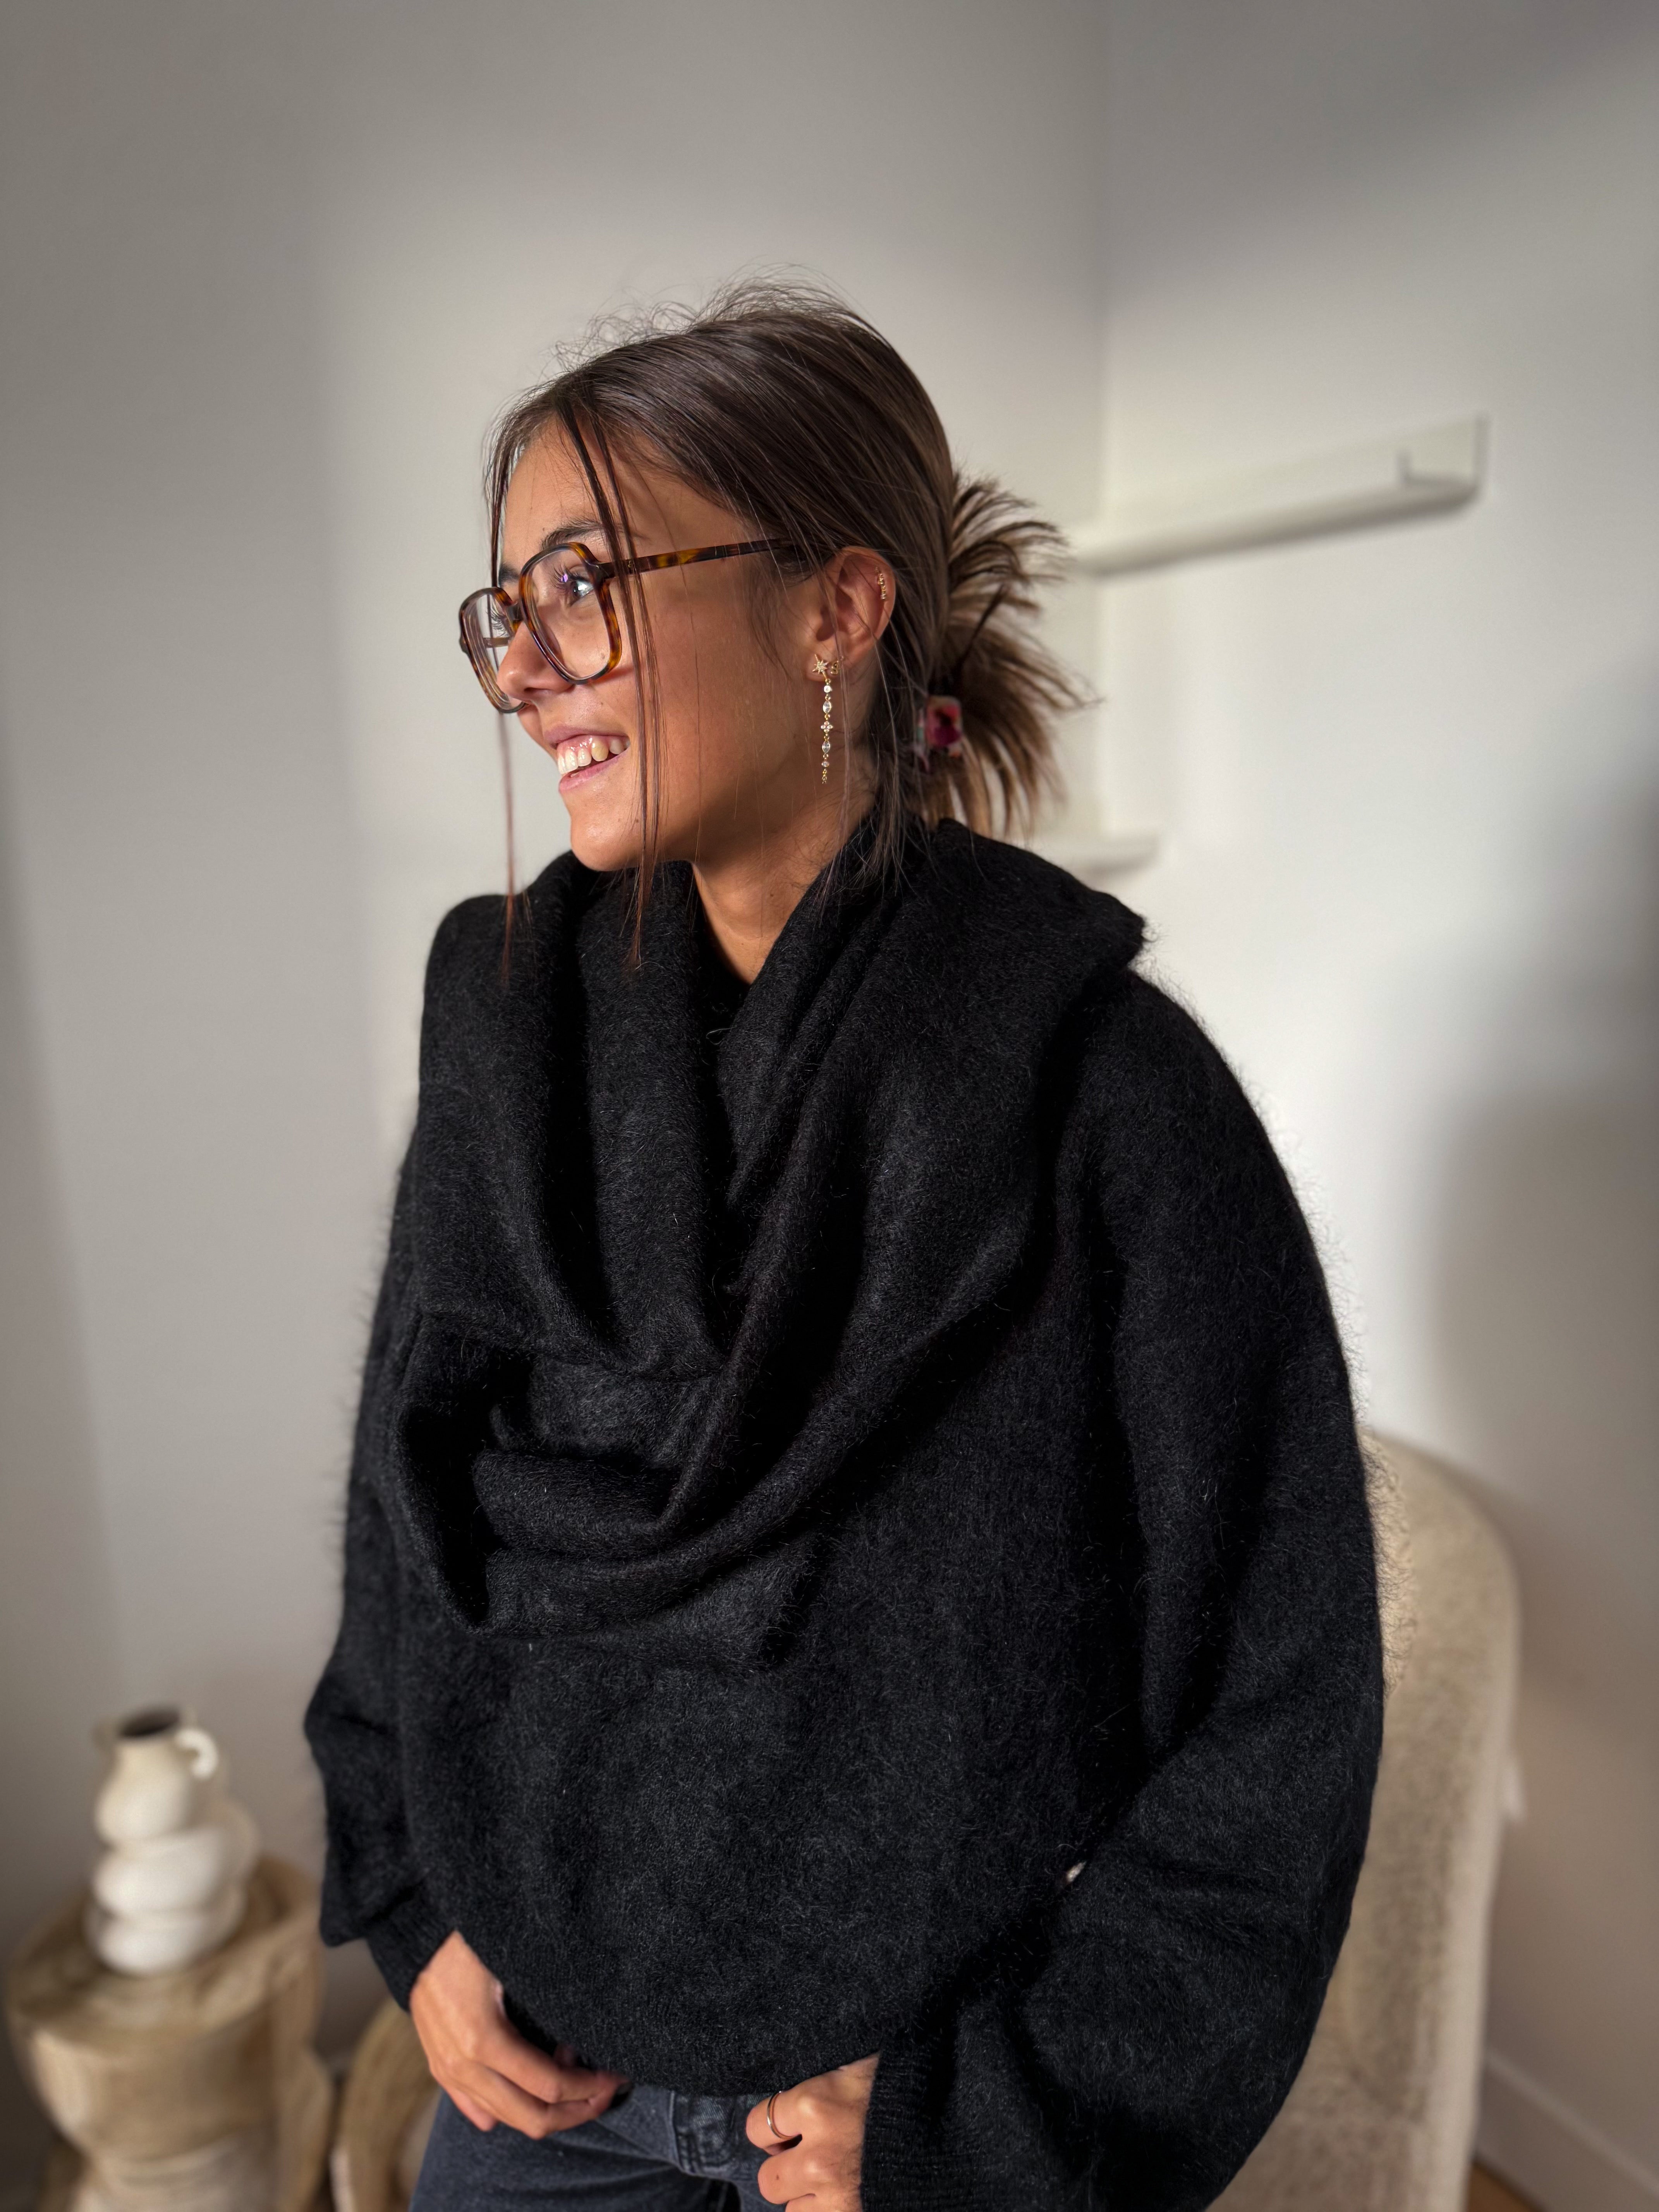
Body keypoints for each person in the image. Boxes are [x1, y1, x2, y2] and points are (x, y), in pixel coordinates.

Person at [304, 282, 1383, 2212]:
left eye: (585, 584)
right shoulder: (505, 1046)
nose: (525, 670)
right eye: (507, 609)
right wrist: (415, 1896)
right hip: (539, 2085)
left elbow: (1277, 1689)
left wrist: (1004, 2123)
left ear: (837, 609)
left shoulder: (1109, 1100)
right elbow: (414, 1512)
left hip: (896, 2131)